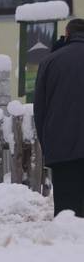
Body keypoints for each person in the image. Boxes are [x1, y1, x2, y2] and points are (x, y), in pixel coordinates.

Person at [34, 18, 84, 218]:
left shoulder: (50, 61)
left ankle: (67, 244)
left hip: (62, 148)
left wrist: (48, 146)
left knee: (67, 210)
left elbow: (40, 109)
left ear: (67, 34)